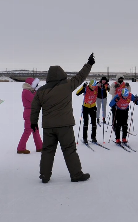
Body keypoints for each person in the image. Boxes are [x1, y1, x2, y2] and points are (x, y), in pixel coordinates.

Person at [30, 54, 94, 183]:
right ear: (62, 74)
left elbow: (35, 108)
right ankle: (76, 175)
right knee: (69, 149)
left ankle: (44, 175)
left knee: (47, 151)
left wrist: (33, 122)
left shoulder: (41, 91)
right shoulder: (67, 85)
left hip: (48, 127)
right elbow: (81, 76)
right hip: (65, 125)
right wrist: (89, 64)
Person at [17, 78, 42, 154]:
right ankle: (21, 148)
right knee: (28, 130)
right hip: (29, 113)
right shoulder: (26, 92)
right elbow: (35, 100)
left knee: (35, 130)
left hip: (32, 113)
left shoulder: (29, 91)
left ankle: (40, 146)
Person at [75, 80, 99, 144]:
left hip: (93, 107)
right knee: (86, 123)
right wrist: (82, 87)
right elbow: (77, 93)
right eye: (92, 86)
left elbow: (102, 94)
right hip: (86, 107)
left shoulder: (97, 88)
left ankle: (93, 137)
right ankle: (85, 138)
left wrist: (103, 87)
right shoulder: (86, 88)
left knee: (94, 123)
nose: (93, 87)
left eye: (94, 86)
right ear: (90, 85)